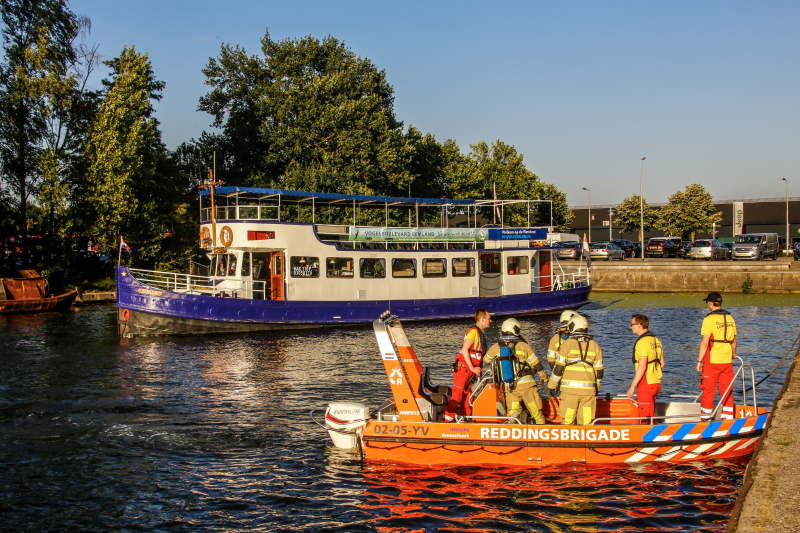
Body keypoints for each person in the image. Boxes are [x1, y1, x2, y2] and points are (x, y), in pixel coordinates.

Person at [483, 318, 549, 424]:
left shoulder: (497, 347)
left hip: (510, 387)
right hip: (527, 387)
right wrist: (544, 377)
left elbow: (486, 360)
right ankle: (541, 434)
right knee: (536, 412)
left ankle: (514, 435)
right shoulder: (524, 346)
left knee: (513, 414)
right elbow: (536, 364)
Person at [548, 314, 604, 425]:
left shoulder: (567, 344)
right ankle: (586, 441)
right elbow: (599, 372)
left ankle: (569, 441)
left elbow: (558, 368)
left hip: (569, 392)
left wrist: (552, 385)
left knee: (568, 420)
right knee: (587, 422)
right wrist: (596, 388)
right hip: (589, 392)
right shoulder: (595, 345)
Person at [443, 309, 491, 422]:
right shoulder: (474, 332)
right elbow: (465, 349)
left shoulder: (479, 333)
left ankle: (463, 419)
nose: (491, 321)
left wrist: (475, 370)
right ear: (482, 319)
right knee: (458, 394)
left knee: (469, 395)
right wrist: (472, 368)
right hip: (464, 369)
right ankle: (446, 422)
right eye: (489, 319)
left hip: (470, 371)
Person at [697, 292, 737, 420]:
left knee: (708, 391)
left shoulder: (709, 319)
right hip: (727, 360)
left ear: (710, 303)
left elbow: (704, 343)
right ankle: (728, 418)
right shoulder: (730, 318)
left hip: (712, 360)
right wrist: (733, 354)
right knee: (727, 390)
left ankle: (706, 419)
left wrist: (699, 361)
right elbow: (734, 342)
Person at [626, 314, 665, 423]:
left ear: (639, 325)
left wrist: (632, 387)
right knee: (651, 413)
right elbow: (662, 363)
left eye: (632, 324)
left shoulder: (642, 342)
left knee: (645, 417)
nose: (630, 327)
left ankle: (647, 437)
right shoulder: (656, 340)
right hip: (656, 382)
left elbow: (642, 367)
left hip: (646, 383)